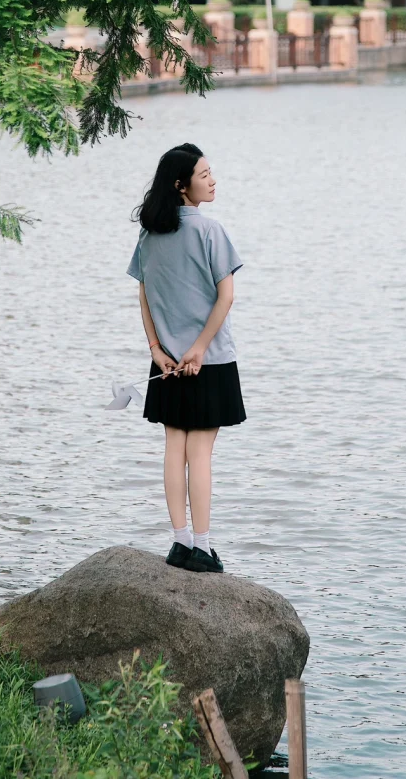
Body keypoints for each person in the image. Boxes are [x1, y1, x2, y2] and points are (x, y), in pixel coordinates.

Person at [127, 142, 246, 574]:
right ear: (182, 186)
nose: (212, 180)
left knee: (173, 447)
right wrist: (199, 349)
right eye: (204, 175)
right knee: (201, 453)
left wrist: (157, 349)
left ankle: (179, 542)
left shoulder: (148, 235)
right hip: (208, 359)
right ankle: (203, 546)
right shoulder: (210, 231)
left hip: (166, 363)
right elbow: (226, 296)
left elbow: (143, 294)